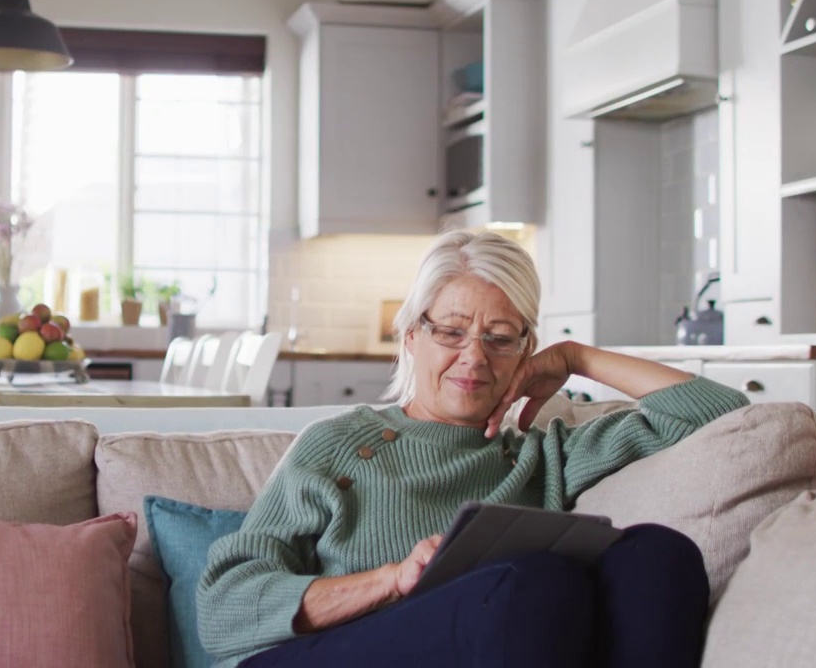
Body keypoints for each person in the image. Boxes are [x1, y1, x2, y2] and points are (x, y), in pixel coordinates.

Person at [196, 230, 749, 668]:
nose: (474, 358)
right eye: (452, 332)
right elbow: (224, 611)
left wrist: (576, 358)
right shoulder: (339, 447)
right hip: (320, 655)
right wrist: (391, 581)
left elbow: (727, 417)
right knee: (533, 580)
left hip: (500, 638)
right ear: (411, 334)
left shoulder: (543, 456)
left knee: (658, 553)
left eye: (500, 338)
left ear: (525, 351)